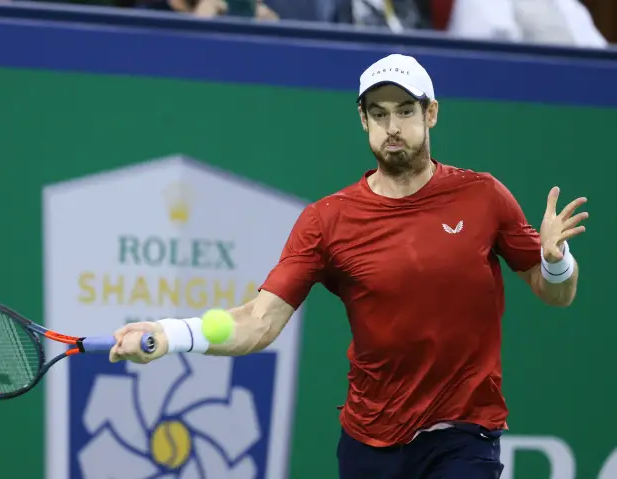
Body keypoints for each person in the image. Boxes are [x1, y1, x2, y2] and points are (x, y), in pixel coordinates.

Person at [109, 53, 588, 478]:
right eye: (378, 114)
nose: (392, 127)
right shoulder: (326, 221)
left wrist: (555, 261)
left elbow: (556, 293)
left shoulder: (484, 196)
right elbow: (259, 323)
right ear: (363, 120)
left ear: (431, 114)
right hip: (370, 441)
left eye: (405, 111)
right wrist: (171, 335)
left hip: (462, 433)